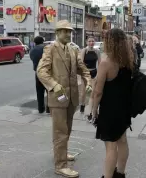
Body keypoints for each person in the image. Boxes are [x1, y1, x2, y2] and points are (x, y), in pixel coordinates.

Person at [37, 20, 91, 178]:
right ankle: (60, 165)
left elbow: (83, 69)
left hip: (72, 98)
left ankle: (62, 153)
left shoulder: (73, 49)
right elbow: (41, 71)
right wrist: (53, 85)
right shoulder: (50, 49)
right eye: (64, 31)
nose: (68, 34)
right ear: (57, 33)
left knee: (66, 130)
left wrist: (88, 81)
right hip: (58, 98)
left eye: (69, 31)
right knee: (60, 132)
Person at [92, 28, 134, 178]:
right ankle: (120, 173)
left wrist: (93, 110)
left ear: (110, 42)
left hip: (109, 110)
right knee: (122, 140)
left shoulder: (106, 62)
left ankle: (107, 176)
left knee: (110, 146)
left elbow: (98, 92)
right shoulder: (128, 60)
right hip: (124, 107)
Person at [79, 36, 100, 116]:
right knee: (83, 91)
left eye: (92, 41)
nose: (91, 43)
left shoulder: (97, 51)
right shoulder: (84, 50)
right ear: (86, 42)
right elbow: (81, 62)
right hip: (85, 73)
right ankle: (82, 105)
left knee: (93, 91)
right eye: (89, 41)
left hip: (94, 73)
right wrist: (85, 72)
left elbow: (100, 63)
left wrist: (98, 74)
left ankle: (91, 108)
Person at [30, 36, 50, 114]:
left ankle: (40, 109)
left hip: (38, 73)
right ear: (42, 41)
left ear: (35, 42)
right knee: (49, 91)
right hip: (47, 72)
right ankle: (48, 108)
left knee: (39, 92)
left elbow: (32, 59)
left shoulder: (32, 50)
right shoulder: (45, 49)